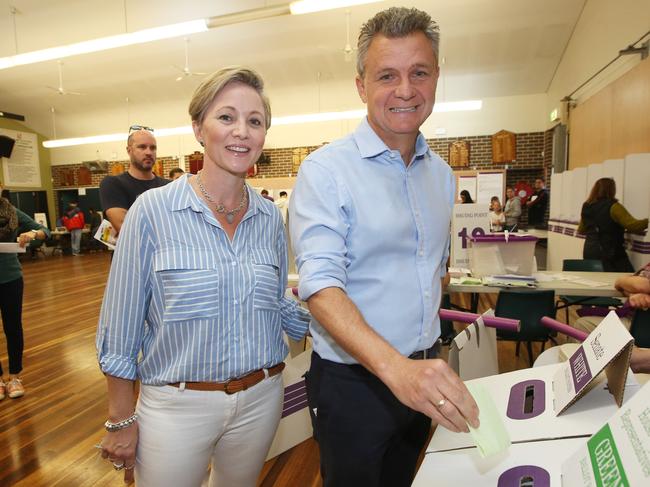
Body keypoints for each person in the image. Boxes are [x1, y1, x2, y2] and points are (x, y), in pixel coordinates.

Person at [289, 8, 479, 487]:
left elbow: (435, 269)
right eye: (386, 76)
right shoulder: (326, 172)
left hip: (424, 368)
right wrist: (397, 369)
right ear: (360, 86)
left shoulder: (441, 174)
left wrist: (422, 360)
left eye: (419, 73)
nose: (405, 90)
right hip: (353, 385)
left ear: (437, 77)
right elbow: (320, 284)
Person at [96, 66, 310, 487]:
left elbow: (277, 305)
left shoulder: (269, 218)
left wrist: (328, 300)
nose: (242, 132)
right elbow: (119, 325)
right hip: (176, 406)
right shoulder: (152, 213)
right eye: (226, 117)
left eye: (255, 121)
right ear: (199, 128)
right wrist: (121, 420)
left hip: (261, 398)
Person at [0, 195, 50, 400]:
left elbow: (44, 231)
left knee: (12, 327)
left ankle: (14, 377)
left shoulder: (11, 212)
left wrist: (31, 234)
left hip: (11, 278)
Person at [99, 126, 168, 235]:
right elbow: (126, 228)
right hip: (130, 252)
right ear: (129, 150)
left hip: (166, 252)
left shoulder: (168, 186)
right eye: (142, 147)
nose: (149, 152)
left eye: (153, 148)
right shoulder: (113, 184)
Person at [578, 178, 647, 272]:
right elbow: (633, 225)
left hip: (590, 250)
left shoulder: (586, 206)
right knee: (626, 278)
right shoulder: (614, 206)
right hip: (611, 252)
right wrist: (647, 221)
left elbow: (581, 229)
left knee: (595, 281)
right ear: (612, 190)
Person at [572, 262, 650, 337]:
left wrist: (622, 281)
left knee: (582, 325)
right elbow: (626, 286)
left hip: (642, 325)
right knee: (583, 323)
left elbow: (642, 286)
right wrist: (632, 292)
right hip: (635, 317)